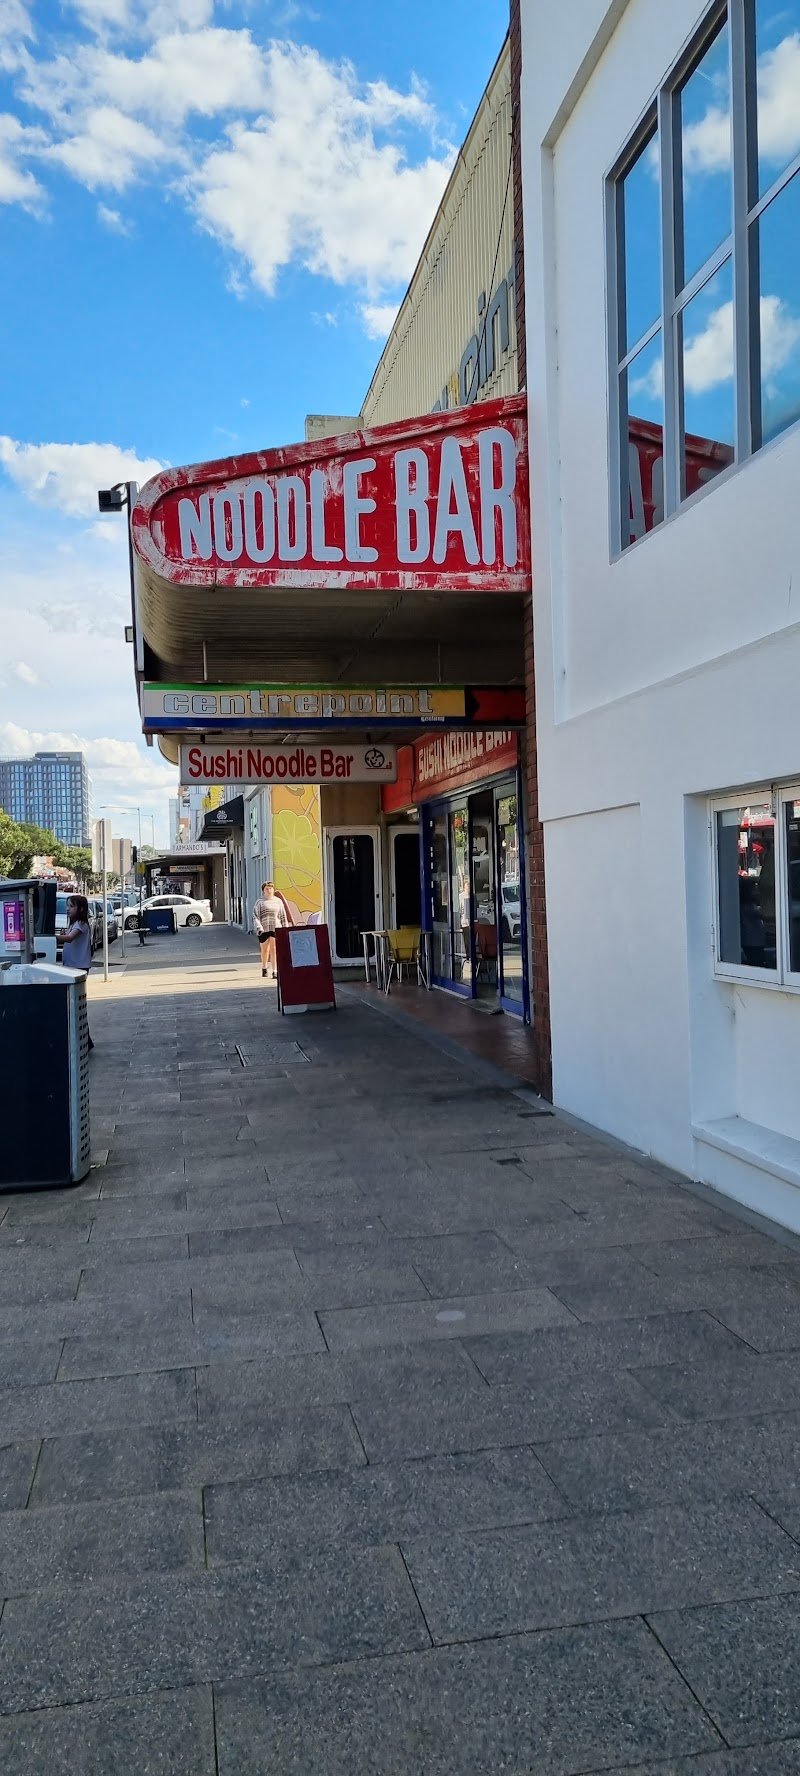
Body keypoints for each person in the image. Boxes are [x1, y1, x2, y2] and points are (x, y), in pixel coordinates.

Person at [61, 893, 95, 1049]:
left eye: (71, 906)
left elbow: (70, 938)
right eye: (67, 906)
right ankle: (86, 1040)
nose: (68, 909)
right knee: (75, 1005)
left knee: (76, 1004)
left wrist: (51, 937)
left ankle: (85, 1040)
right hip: (73, 966)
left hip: (78, 967)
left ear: (81, 909)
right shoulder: (74, 924)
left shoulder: (81, 924)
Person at [252, 880, 289, 980]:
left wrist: (285, 928)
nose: (269, 890)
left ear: (273, 889)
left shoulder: (278, 901)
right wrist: (259, 927)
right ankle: (264, 967)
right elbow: (255, 916)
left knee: (274, 949)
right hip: (263, 928)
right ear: (263, 890)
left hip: (275, 927)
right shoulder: (259, 902)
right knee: (265, 950)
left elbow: (283, 915)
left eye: (270, 888)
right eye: (267, 889)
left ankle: (275, 970)